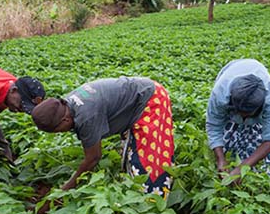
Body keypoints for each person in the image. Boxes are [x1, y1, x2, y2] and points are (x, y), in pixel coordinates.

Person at [31, 76, 174, 198]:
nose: (61, 133)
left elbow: (93, 158)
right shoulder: (66, 105)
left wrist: (67, 188)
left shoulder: (85, 117)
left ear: (65, 121)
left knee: (148, 159)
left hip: (151, 98)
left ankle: (153, 203)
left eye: (58, 131)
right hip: (136, 97)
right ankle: (134, 192)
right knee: (130, 153)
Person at [206, 59, 270, 177]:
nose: (243, 117)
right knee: (226, 147)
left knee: (267, 165)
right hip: (229, 83)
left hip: (258, 112)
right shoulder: (220, 94)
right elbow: (214, 126)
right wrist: (220, 159)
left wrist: (243, 167)